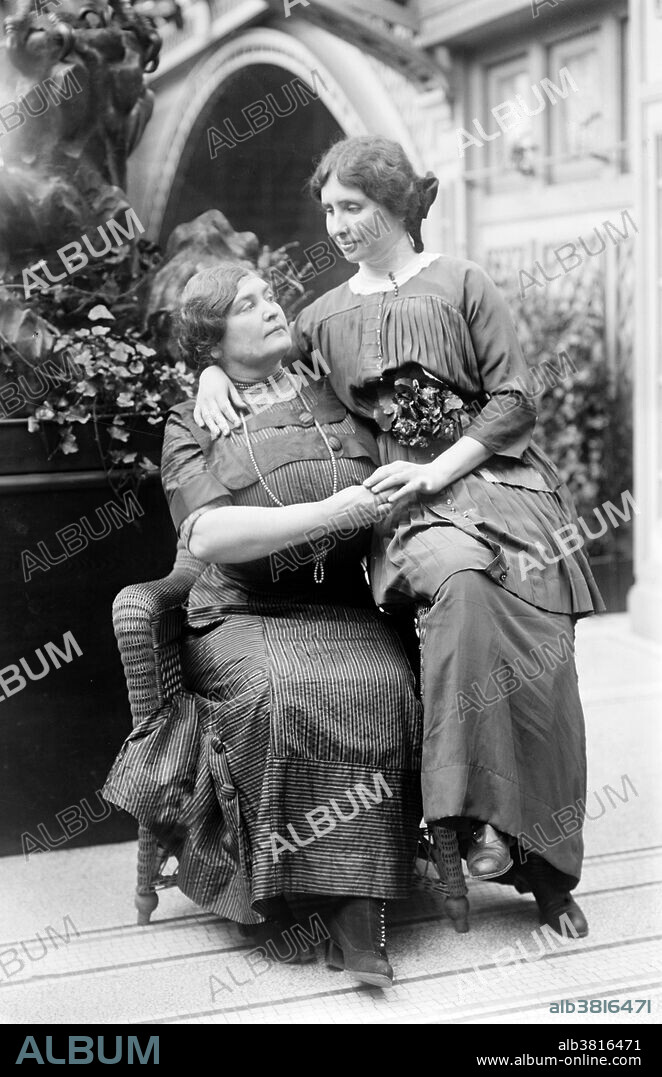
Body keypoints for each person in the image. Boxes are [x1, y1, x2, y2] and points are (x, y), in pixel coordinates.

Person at [193, 136, 605, 939]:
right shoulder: (321, 316)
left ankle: (547, 865)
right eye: (330, 211)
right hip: (407, 511)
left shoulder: (464, 283)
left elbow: (515, 399)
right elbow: (261, 369)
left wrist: (439, 467)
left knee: (540, 641)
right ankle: (467, 817)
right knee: (461, 586)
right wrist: (209, 371)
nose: (339, 225)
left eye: (352, 207)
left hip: (501, 485)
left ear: (395, 205)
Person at [103, 263, 423, 990]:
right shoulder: (191, 419)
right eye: (246, 306)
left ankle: (348, 901)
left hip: (341, 605)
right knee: (280, 689)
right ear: (212, 340)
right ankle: (292, 899)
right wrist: (331, 514)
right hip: (241, 611)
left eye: (268, 296)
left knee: (385, 681)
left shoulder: (329, 383)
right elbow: (210, 534)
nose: (270, 308)